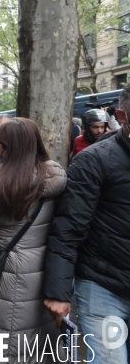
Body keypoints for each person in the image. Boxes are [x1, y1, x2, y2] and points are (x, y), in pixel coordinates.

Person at [0, 117, 67, 363]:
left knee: (4, 342)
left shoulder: (0, 184)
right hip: (43, 273)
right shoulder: (56, 176)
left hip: (4, 276)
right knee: (37, 344)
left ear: (9, 148)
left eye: (0, 144)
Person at [43, 84, 130, 363]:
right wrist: (58, 291)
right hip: (103, 287)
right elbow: (69, 227)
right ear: (122, 115)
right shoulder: (93, 161)